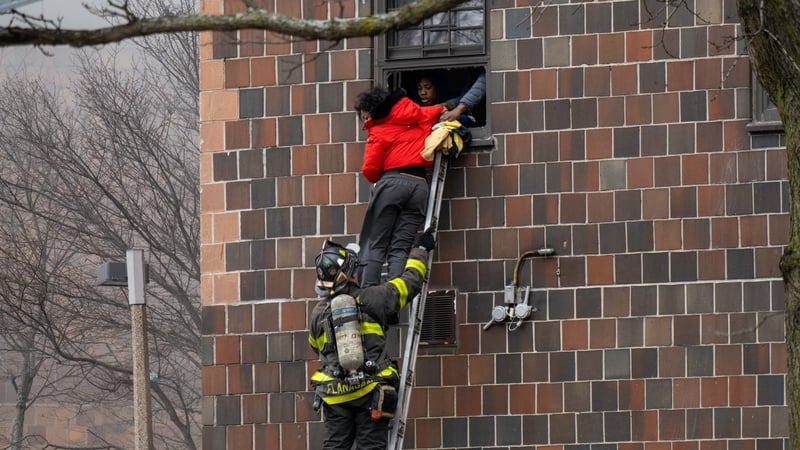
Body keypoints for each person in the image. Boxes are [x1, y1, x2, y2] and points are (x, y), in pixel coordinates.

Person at [308, 229, 436, 450]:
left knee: (335, 446)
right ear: (351, 275)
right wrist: (421, 249)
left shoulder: (317, 314)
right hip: (370, 391)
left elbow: (315, 347)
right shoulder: (373, 298)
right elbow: (410, 283)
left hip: (335, 396)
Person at [354, 86, 443, 288]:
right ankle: (393, 297)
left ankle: (370, 297)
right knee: (400, 247)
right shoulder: (419, 115)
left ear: (374, 110)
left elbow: (370, 169)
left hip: (392, 183)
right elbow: (439, 109)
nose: (365, 123)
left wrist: (382, 176)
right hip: (420, 186)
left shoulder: (378, 130)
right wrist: (452, 105)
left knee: (375, 243)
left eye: (365, 117)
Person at [413, 69, 486, 127]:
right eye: (419, 88)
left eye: (428, 87)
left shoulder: (453, 103)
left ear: (439, 88)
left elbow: (472, 121)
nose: (423, 92)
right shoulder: (416, 108)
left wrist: (458, 118)